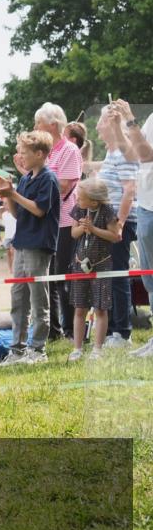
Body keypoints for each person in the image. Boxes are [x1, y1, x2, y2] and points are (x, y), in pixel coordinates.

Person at [0, 131, 60, 366]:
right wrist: (7, 196)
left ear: (40, 154)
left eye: (24, 152)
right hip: (21, 243)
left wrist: (14, 194)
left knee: (38, 299)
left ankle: (38, 349)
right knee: (18, 298)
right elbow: (17, 213)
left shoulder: (49, 179)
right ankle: (17, 349)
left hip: (39, 245)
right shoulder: (25, 179)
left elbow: (40, 210)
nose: (20, 156)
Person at [28, 103, 81, 340]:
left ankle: (70, 329)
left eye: (38, 123)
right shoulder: (44, 152)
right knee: (46, 277)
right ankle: (52, 329)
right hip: (46, 222)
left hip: (67, 221)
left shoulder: (70, 150)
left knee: (64, 277)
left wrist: (41, 180)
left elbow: (65, 185)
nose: (35, 128)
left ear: (52, 125)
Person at [111, 98, 153, 357]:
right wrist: (118, 126)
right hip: (147, 204)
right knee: (149, 279)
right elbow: (133, 153)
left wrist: (129, 119)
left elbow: (147, 154)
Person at [95, 107, 138, 348]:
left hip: (121, 222)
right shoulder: (110, 154)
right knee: (109, 277)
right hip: (107, 222)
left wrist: (119, 224)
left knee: (118, 276)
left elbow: (129, 190)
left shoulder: (122, 153)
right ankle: (111, 329)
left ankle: (123, 332)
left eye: (101, 122)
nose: (98, 127)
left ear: (111, 125)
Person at [68, 178, 122, 361]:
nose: (77, 201)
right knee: (79, 307)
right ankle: (77, 348)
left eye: (80, 198)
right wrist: (83, 229)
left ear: (94, 201)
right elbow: (73, 233)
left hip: (102, 265)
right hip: (79, 263)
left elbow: (115, 236)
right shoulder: (79, 209)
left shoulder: (108, 212)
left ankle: (97, 349)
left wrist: (94, 229)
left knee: (100, 309)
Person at [1, 197, 18, 273]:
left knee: (13, 252)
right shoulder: (4, 214)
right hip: (7, 236)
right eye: (4, 204)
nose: (5, 205)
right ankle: (10, 268)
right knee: (8, 253)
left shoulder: (14, 213)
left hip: (14, 235)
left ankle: (14, 268)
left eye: (6, 203)